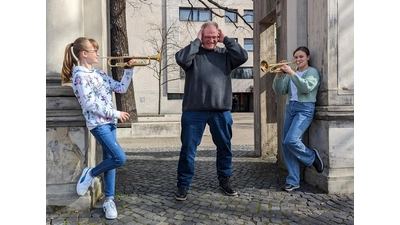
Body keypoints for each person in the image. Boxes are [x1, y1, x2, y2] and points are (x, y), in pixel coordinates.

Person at [61, 37, 135, 219]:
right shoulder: (79, 77)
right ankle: (91, 173)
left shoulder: (100, 74)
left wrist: (128, 69)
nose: (98, 54)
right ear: (84, 54)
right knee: (120, 157)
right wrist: (115, 113)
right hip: (98, 124)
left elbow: (121, 88)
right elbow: (89, 104)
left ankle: (109, 200)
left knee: (111, 160)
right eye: (95, 51)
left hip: (109, 123)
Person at [174, 21, 248, 201]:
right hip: (194, 111)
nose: (211, 41)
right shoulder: (193, 54)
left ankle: (225, 180)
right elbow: (181, 59)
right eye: (208, 37)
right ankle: (183, 185)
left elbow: (243, 56)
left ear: (219, 36)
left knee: (224, 147)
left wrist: (226, 40)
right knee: (188, 149)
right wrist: (196, 42)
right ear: (201, 35)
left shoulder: (225, 54)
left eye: (215, 37)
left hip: (220, 110)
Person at [272, 46, 324, 192]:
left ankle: (311, 157)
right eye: (295, 57)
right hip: (291, 107)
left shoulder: (312, 72)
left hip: (305, 108)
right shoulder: (291, 74)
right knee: (285, 144)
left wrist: (291, 72)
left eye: (301, 56)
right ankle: (293, 181)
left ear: (307, 57)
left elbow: (305, 88)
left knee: (291, 140)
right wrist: (278, 75)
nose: (298, 59)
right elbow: (280, 90)